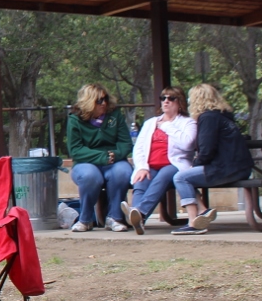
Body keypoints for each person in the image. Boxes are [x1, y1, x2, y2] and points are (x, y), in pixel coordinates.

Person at [171, 83, 255, 235]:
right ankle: (203, 210)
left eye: (191, 99)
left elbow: (206, 150)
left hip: (226, 168)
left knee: (181, 177)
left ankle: (193, 221)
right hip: (242, 168)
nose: (189, 102)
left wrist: (194, 165)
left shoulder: (207, 118)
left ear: (197, 100)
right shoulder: (223, 116)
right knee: (187, 177)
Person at [122, 86, 197, 235]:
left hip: (175, 164)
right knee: (141, 180)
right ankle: (137, 219)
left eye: (171, 98)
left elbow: (188, 143)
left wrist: (167, 126)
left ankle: (139, 213)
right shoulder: (151, 123)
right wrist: (142, 166)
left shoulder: (188, 123)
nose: (166, 102)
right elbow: (139, 148)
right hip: (151, 165)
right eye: (163, 98)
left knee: (162, 176)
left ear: (180, 102)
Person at [66, 83, 133, 232]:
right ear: (89, 102)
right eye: (99, 100)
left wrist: (114, 155)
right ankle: (85, 220)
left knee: (122, 172)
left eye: (105, 99)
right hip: (86, 162)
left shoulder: (115, 115)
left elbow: (125, 143)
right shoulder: (75, 119)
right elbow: (76, 150)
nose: (104, 103)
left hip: (114, 160)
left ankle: (115, 218)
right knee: (90, 176)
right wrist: (102, 157)